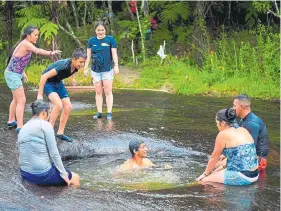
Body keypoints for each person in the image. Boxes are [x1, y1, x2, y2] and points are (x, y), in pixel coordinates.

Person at [4, 25, 61, 132]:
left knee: (16, 99)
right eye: (35, 35)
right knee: (22, 100)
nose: (37, 37)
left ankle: (11, 120)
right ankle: (20, 127)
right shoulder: (26, 43)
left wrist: (22, 72)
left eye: (37, 35)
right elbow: (38, 51)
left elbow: (18, 59)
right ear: (27, 35)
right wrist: (50, 53)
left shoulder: (24, 43)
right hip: (12, 75)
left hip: (13, 73)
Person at [18, 100, 80, 187]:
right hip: (41, 174)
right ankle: (70, 197)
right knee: (75, 177)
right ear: (44, 112)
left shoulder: (23, 128)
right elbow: (54, 153)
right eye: (49, 112)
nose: (50, 115)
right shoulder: (45, 125)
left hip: (25, 173)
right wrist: (64, 175)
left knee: (54, 166)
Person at [196, 108, 259, 185]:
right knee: (217, 168)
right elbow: (243, 154)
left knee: (204, 180)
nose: (216, 125)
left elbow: (214, 157)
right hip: (255, 174)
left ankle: (218, 196)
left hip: (243, 176)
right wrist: (222, 167)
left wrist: (205, 174)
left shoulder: (223, 134)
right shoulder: (242, 130)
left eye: (217, 123)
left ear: (222, 123)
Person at [37, 48, 87, 142]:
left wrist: (72, 79)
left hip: (58, 82)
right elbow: (44, 76)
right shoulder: (63, 66)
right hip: (48, 83)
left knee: (68, 107)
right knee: (58, 105)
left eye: (84, 62)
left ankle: (60, 133)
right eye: (81, 62)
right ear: (73, 59)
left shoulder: (76, 66)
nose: (82, 65)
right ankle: (49, 131)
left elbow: (72, 70)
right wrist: (39, 94)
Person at [84, 21, 119, 120]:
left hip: (107, 69)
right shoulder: (91, 41)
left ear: (105, 30)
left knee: (108, 91)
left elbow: (114, 53)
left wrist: (116, 65)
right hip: (95, 70)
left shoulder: (110, 39)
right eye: (98, 30)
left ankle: (109, 112)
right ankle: (99, 112)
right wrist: (86, 68)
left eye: (102, 30)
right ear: (95, 31)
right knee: (98, 92)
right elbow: (88, 56)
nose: (100, 32)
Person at [233, 94, 269, 171]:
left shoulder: (252, 123)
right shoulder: (244, 119)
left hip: (259, 161)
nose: (233, 108)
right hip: (250, 155)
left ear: (241, 107)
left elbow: (249, 149)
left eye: (234, 106)